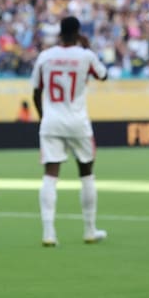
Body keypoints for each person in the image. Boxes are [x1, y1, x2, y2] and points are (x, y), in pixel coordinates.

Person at [31, 16, 108, 247]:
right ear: (78, 32)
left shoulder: (45, 56)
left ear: (60, 33)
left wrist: (44, 117)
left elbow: (36, 92)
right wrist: (87, 47)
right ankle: (90, 229)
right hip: (78, 121)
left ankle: (48, 233)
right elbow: (103, 75)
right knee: (86, 173)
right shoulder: (85, 55)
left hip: (51, 121)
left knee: (50, 175)